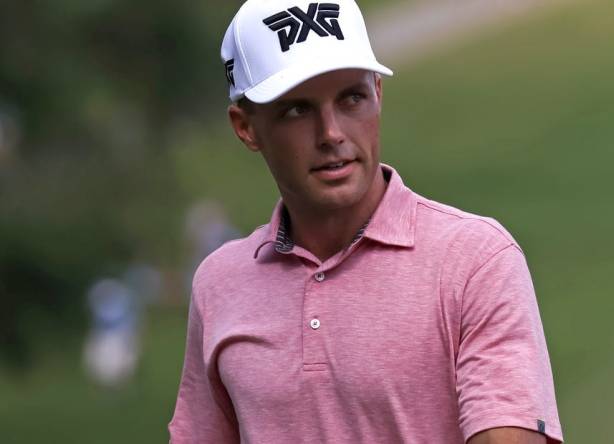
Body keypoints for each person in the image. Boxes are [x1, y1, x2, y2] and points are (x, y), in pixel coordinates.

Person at [168, 0, 563, 442]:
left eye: (351, 98)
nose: (331, 133)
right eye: (297, 109)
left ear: (378, 92)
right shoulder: (219, 284)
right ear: (246, 127)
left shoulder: (475, 260)